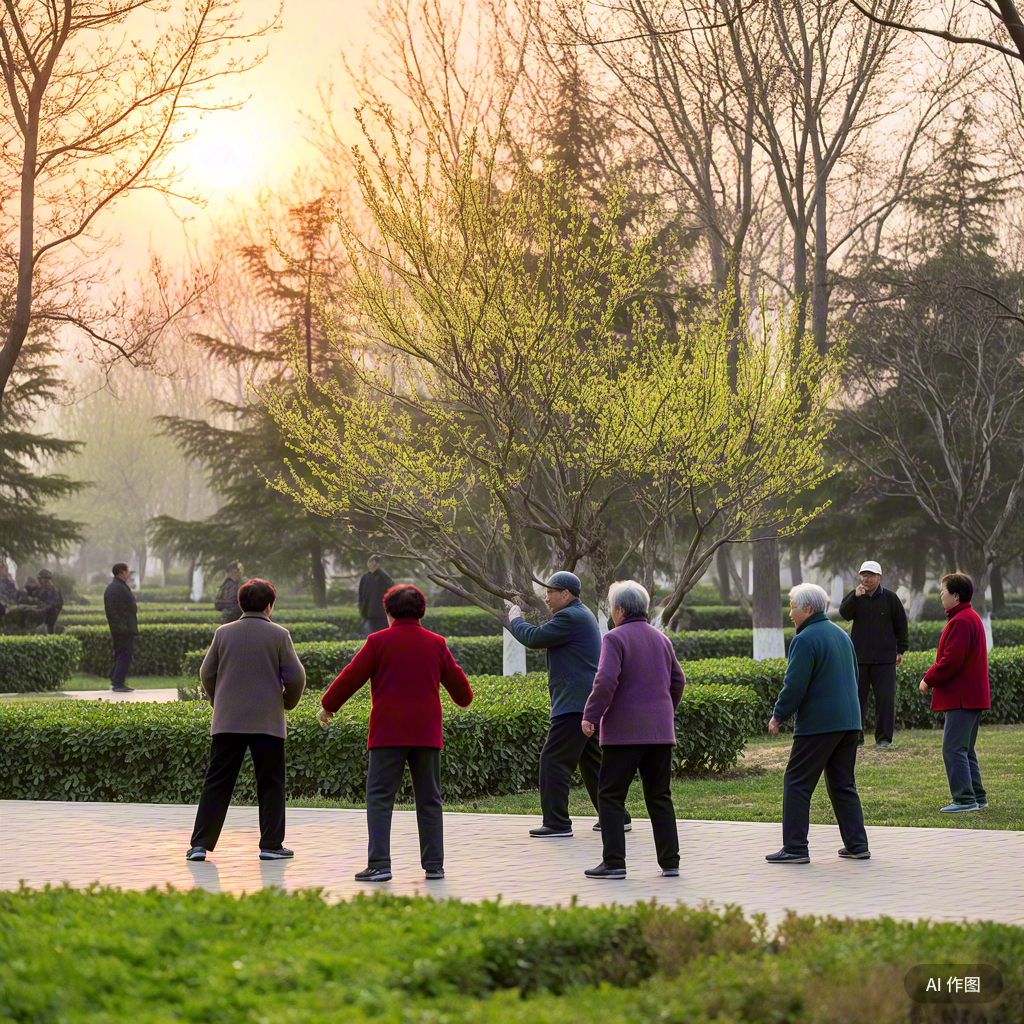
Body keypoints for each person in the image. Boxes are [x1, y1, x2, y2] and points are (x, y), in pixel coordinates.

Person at [318, 585, 473, 882]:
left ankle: (379, 864)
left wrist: (328, 706)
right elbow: (459, 685)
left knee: (379, 797)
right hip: (426, 732)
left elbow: (351, 676)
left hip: (388, 732)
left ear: (388, 612)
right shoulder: (436, 643)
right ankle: (434, 866)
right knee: (429, 798)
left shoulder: (378, 641)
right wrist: (463, 701)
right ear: (421, 611)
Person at [186, 578, 306, 863]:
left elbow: (206, 673)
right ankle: (271, 845)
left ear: (240, 604)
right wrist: (286, 702)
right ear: (269, 605)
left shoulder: (223, 633)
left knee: (217, 781)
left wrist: (218, 700)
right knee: (271, 782)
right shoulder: (279, 635)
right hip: (267, 722)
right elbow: (296, 676)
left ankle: (200, 845)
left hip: (228, 721)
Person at [507, 571, 631, 838]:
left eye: (550, 592)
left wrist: (515, 620)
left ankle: (557, 823)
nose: (546, 597)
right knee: (592, 764)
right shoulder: (579, 614)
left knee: (553, 760)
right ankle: (616, 817)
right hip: (585, 703)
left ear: (566, 593)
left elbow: (534, 638)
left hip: (574, 704)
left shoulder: (570, 616)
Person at [581, 581, 685, 880]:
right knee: (659, 796)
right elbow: (678, 681)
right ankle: (670, 862)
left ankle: (614, 863)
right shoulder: (661, 639)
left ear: (620, 610)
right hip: (660, 733)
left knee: (610, 795)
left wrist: (591, 715)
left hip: (624, 733)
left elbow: (605, 681)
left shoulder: (615, 638)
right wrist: (663, 712)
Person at [766, 583, 870, 865]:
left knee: (796, 781)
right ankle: (858, 845)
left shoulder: (805, 639)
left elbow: (794, 685)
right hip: (849, 723)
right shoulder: (841, 635)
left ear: (808, 609)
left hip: (819, 724)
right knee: (843, 784)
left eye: (792, 607)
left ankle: (795, 848)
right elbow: (854, 676)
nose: (790, 614)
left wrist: (778, 715)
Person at [919, 573, 991, 813]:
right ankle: (977, 797)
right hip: (971, 696)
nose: (941, 595)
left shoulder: (961, 621)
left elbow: (951, 661)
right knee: (965, 749)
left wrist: (928, 679)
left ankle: (964, 799)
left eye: (944, 591)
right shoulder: (970, 617)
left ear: (956, 596)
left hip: (962, 697)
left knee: (953, 749)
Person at [839, 559, 909, 748]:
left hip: (885, 661)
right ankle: (857, 737)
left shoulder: (890, 598)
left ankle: (884, 738)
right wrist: (855, 597)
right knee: (856, 700)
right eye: (864, 575)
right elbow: (844, 613)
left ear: (879, 577)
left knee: (885, 701)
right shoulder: (856, 596)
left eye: (871, 575)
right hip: (859, 659)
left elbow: (901, 625)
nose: (866, 579)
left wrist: (901, 650)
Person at [104, 563, 138, 693]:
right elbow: (112, 611)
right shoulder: (115, 588)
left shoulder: (120, 586)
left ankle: (117, 680)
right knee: (124, 654)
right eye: (127, 571)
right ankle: (118, 682)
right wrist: (121, 626)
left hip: (125, 627)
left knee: (122, 654)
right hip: (122, 629)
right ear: (121, 572)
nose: (128, 574)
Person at [358, 555, 394, 636]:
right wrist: (361, 608)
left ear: (378, 565)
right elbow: (361, 595)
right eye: (371, 564)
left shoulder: (382, 576)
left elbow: (391, 584)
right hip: (369, 613)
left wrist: (380, 571)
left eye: (375, 565)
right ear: (368, 564)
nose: (372, 566)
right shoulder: (365, 577)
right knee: (372, 635)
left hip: (382, 614)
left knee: (384, 635)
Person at [35, 569, 64, 633]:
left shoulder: (54, 590)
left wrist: (47, 605)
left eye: (41, 579)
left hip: (52, 615)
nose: (40, 580)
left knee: (50, 630)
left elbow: (57, 603)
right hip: (45, 615)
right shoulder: (43, 589)